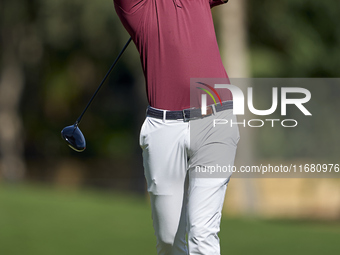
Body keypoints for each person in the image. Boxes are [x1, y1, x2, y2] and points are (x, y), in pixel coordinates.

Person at [114, 1, 239, 254]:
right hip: (163, 128)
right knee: (169, 241)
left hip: (215, 120)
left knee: (202, 234)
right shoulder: (135, 8)